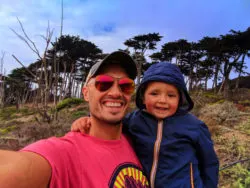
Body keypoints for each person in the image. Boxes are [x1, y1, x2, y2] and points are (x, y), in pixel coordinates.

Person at [0, 51, 150, 188]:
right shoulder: (65, 152)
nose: (116, 93)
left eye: (126, 85)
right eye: (104, 83)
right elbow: (21, 167)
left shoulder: (139, 139)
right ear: (85, 93)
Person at [71, 62, 220, 188]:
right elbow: (109, 123)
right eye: (154, 94)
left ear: (180, 99)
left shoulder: (194, 126)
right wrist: (88, 119)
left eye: (171, 95)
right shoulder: (134, 120)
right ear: (143, 96)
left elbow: (210, 164)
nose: (162, 100)